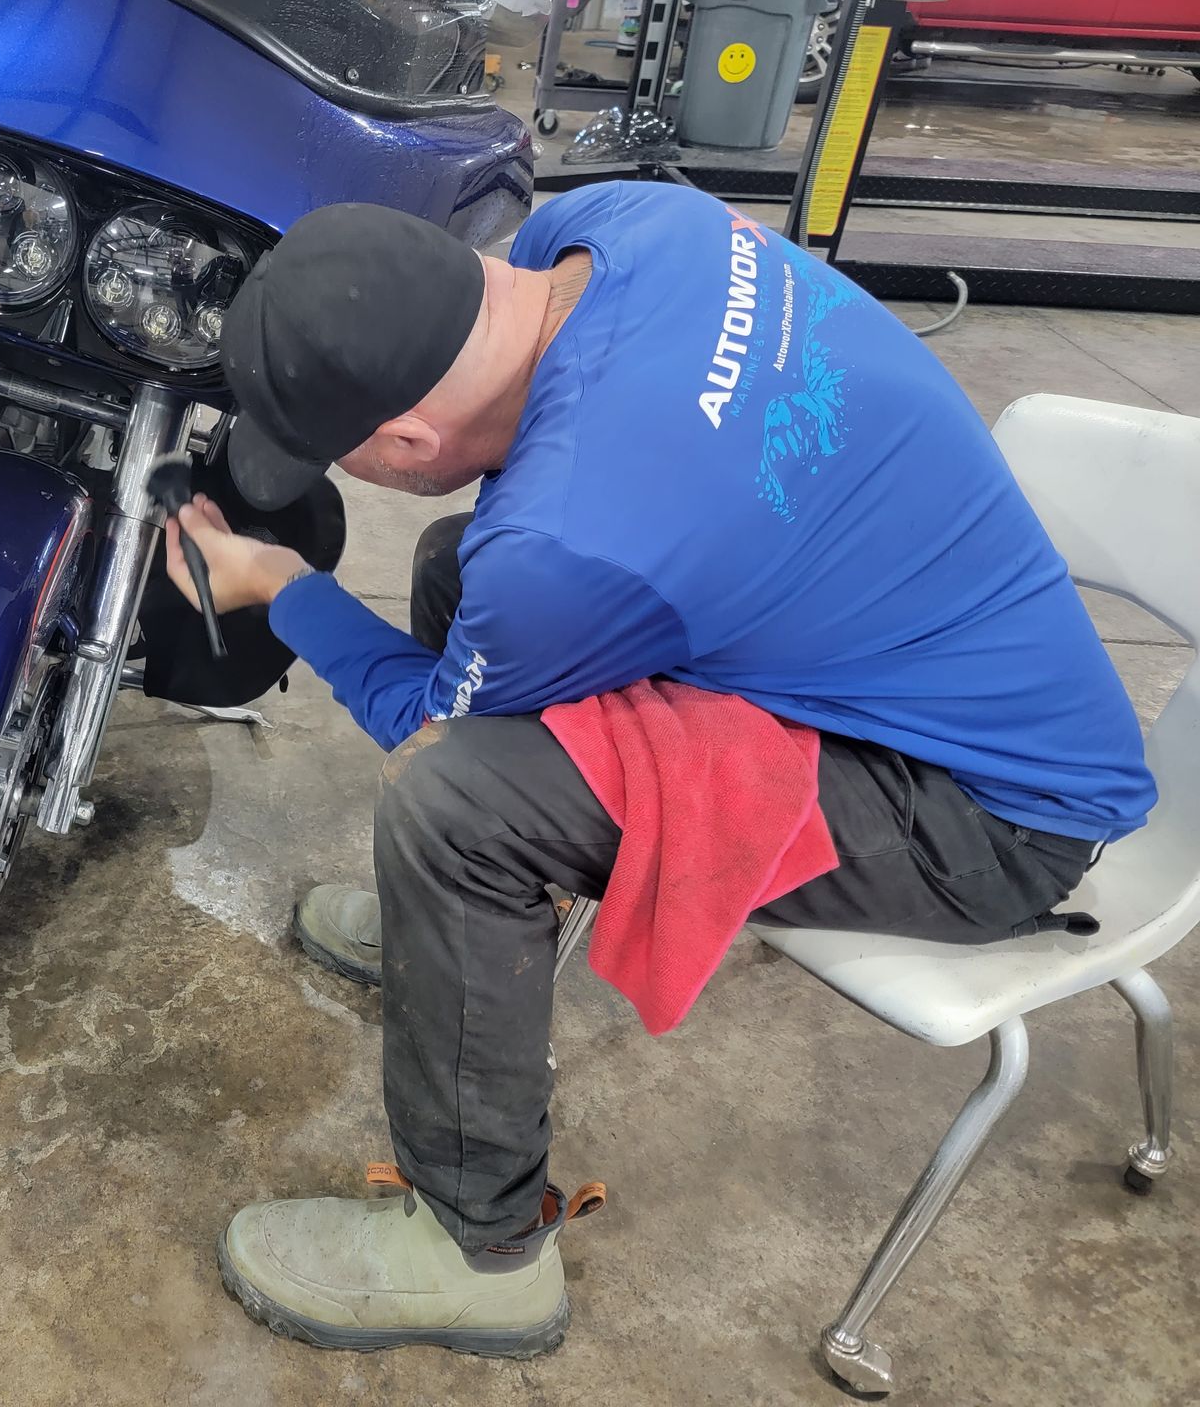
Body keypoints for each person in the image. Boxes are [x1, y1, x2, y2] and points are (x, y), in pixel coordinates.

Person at [165, 182, 1156, 1357]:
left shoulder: (564, 548)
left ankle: (483, 1255)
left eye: (340, 459)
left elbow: (431, 723)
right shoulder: (622, 222)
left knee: (454, 805)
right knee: (457, 568)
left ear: (406, 441)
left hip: (987, 814)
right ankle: (451, 954)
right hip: (942, 669)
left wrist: (282, 588)